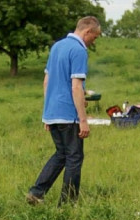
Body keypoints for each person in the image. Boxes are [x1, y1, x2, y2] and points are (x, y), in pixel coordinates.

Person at [26, 16, 102, 206]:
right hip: (69, 115)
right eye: (95, 36)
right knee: (75, 157)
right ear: (87, 32)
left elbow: (47, 81)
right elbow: (76, 87)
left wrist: (47, 114)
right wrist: (83, 120)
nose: (95, 40)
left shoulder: (57, 46)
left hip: (53, 112)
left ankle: (36, 192)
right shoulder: (78, 50)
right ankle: (68, 203)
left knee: (61, 153)